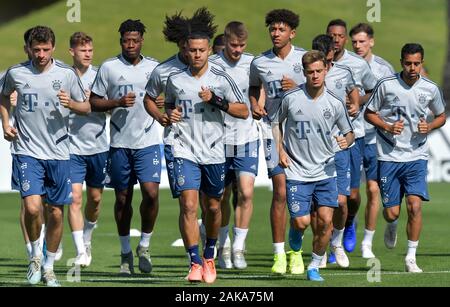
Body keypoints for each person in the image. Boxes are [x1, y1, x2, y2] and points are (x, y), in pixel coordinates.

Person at [0, 25, 89, 287]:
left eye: (45, 49)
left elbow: (85, 106)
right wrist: (6, 122)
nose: (41, 54)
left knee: (57, 213)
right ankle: (35, 257)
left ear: (53, 47)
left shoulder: (66, 74)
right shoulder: (15, 73)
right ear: (27, 48)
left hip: (59, 154)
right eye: (36, 49)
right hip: (26, 151)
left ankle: (49, 268)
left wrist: (71, 104)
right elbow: (3, 96)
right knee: (32, 207)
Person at [165, 24, 248, 283]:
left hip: (213, 151)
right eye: (192, 50)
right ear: (186, 51)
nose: (197, 54)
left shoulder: (221, 78)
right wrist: (169, 114)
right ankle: (194, 262)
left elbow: (243, 111)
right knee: (188, 205)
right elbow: (167, 102)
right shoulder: (175, 78)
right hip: (183, 149)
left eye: (202, 50)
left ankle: (210, 255)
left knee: (213, 207)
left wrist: (216, 100)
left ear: (209, 50)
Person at [365, 43, 445, 272]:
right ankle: (391, 224)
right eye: (408, 63)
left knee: (414, 205)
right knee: (392, 212)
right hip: (389, 155)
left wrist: (428, 126)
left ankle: (411, 257)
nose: (412, 68)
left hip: (416, 155)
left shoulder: (430, 88)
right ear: (401, 62)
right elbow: (369, 113)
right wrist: (387, 126)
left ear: (421, 63)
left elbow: (441, 116)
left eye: (417, 64)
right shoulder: (386, 85)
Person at [90, 19, 160, 275]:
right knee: (122, 199)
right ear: (121, 41)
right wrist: (116, 102)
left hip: (149, 141)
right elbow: (94, 102)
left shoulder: (155, 67)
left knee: (151, 193)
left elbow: (168, 95)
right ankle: (125, 252)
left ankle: (144, 245)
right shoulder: (109, 67)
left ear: (142, 41)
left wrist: (162, 101)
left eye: (135, 40)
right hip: (119, 143)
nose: (130, 45)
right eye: (126, 40)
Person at [277, 50, 354, 281]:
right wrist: (280, 150)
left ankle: (314, 266)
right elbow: (276, 123)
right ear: (304, 72)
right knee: (301, 222)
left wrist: (345, 140)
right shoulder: (291, 98)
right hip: (297, 170)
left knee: (326, 223)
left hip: (326, 171)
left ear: (326, 70)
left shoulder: (335, 103)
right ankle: (296, 244)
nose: (315, 76)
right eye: (310, 72)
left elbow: (349, 133)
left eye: (319, 71)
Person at [249, 9, 306, 275]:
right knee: (281, 192)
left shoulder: (304, 60)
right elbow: (253, 87)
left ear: (292, 33)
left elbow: (319, 91)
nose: (275, 33)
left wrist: (297, 87)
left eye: (281, 29)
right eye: (272, 29)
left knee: (305, 198)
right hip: (273, 131)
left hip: (304, 135)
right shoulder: (260, 62)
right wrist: (254, 104)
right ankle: (280, 254)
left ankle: (297, 248)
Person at [210, 21, 259, 270]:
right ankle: (223, 245)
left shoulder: (253, 63)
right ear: (225, 41)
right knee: (221, 196)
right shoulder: (212, 64)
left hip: (247, 137)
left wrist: (259, 103)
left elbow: (259, 88)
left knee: (246, 192)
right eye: (233, 45)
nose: (237, 50)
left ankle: (238, 248)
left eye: (241, 45)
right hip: (218, 141)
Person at [326, 19, 377, 258]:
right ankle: (327, 243)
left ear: (344, 38)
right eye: (331, 35)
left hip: (353, 136)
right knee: (330, 196)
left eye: (339, 36)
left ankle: (349, 223)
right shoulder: (315, 62)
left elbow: (373, 89)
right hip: (322, 141)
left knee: (352, 195)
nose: (335, 39)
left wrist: (357, 102)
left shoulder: (356, 64)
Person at [311, 34, 359, 268]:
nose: (326, 68)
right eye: (323, 63)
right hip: (309, 149)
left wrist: (355, 104)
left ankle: (336, 243)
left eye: (329, 62)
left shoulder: (343, 72)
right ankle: (318, 249)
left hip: (338, 147)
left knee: (342, 201)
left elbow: (354, 94)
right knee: (316, 207)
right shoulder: (305, 75)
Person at [349, 23, 395, 259]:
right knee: (351, 193)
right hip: (353, 136)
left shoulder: (384, 69)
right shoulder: (346, 65)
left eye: (362, 41)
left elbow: (394, 102)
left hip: (377, 137)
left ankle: (367, 242)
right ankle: (350, 226)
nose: (358, 46)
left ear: (371, 42)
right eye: (354, 41)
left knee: (374, 188)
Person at [67, 32, 107, 267]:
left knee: (95, 200)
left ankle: (88, 236)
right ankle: (81, 251)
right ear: (72, 52)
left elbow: (110, 106)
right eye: (83, 50)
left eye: (90, 50)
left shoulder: (101, 75)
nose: (88, 54)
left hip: (99, 147)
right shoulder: (63, 76)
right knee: (74, 199)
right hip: (72, 148)